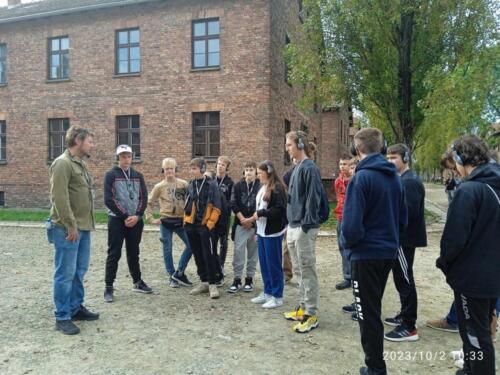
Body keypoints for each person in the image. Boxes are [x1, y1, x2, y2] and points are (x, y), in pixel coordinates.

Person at [340, 128, 407, 375]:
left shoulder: (362, 178)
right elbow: (403, 219)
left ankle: (375, 368)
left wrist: (351, 245)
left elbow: (350, 225)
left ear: (358, 150)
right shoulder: (395, 177)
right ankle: (375, 365)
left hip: (365, 254)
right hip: (387, 252)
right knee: (373, 307)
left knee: (366, 313)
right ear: (380, 148)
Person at [436, 135, 500, 375]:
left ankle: (477, 370)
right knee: (482, 328)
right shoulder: (494, 184)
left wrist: (445, 263)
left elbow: (453, 239)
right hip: (492, 274)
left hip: (472, 278)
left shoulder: (469, 190)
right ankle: (471, 368)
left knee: (475, 333)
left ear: (461, 159)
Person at [48, 125, 99, 335]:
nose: (91, 145)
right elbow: (59, 197)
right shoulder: (62, 164)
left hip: (83, 227)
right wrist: (70, 225)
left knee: (79, 271)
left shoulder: (80, 164)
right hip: (68, 229)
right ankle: (62, 316)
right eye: (89, 141)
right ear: (78, 141)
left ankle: (75, 307)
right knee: (65, 274)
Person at [384, 144, 427, 342]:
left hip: (403, 239)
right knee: (401, 278)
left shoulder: (409, 182)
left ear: (405, 158)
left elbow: (407, 214)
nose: (390, 161)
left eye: (394, 157)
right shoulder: (402, 180)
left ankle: (409, 326)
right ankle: (404, 314)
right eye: (388, 158)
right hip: (400, 238)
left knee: (405, 279)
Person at [283, 130, 323, 333]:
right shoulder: (297, 167)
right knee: (298, 269)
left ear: (299, 144)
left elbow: (313, 200)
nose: (286, 148)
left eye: (289, 144)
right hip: (293, 225)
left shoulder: (310, 168)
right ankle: (302, 307)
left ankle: (311, 314)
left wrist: (306, 226)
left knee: (307, 269)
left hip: (303, 227)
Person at [103, 145, 150, 302]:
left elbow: (144, 197)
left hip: (136, 221)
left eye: (128, 156)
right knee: (114, 253)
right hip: (117, 220)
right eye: (123, 156)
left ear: (132, 157)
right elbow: (109, 199)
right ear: (118, 158)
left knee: (134, 252)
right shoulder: (110, 175)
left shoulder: (138, 175)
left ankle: (137, 282)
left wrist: (137, 215)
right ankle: (109, 287)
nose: (126, 159)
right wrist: (124, 215)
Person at [245, 160, 287, 308]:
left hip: (273, 233)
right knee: (264, 264)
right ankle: (268, 292)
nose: (258, 176)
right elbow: (258, 207)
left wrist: (262, 213)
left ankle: (277, 296)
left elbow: (280, 210)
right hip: (262, 233)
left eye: (260, 173)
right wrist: (257, 230)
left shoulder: (277, 188)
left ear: (268, 173)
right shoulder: (263, 187)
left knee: (273, 264)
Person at [145, 158, 192, 288]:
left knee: (191, 245)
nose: (169, 171)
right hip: (165, 221)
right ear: (163, 170)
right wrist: (150, 218)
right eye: (166, 169)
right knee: (167, 249)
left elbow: (190, 200)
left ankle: (179, 272)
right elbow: (149, 202)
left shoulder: (184, 184)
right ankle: (171, 276)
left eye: (171, 168)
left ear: (175, 169)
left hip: (181, 221)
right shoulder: (159, 187)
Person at [184, 158, 223, 299]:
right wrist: (186, 222)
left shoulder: (211, 185)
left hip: (206, 226)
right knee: (197, 254)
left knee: (209, 255)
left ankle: (213, 284)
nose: (191, 171)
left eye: (194, 168)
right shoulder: (191, 185)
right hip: (192, 226)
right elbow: (187, 205)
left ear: (201, 169)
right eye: (190, 168)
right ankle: (204, 281)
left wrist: (209, 224)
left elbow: (217, 207)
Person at [228, 162, 261, 293]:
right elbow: (233, 203)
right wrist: (242, 219)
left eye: (251, 170)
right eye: (246, 169)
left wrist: (251, 221)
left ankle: (249, 279)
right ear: (244, 171)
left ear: (256, 172)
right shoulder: (237, 186)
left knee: (253, 254)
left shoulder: (260, 186)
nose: (248, 172)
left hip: (255, 225)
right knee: (238, 252)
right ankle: (237, 279)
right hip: (241, 224)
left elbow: (261, 206)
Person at [334, 154, 352, 290]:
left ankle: (354, 275)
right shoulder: (337, 181)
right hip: (340, 216)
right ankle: (347, 276)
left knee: (350, 247)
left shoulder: (354, 180)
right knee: (341, 246)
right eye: (341, 164)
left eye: (345, 164)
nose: (342, 167)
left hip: (350, 218)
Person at [215, 156, 234, 273]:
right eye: (219, 164)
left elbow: (231, 200)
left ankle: (221, 265)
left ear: (227, 168)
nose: (220, 166)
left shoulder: (230, 182)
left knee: (223, 242)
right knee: (212, 241)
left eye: (223, 165)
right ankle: (214, 263)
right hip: (211, 216)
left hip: (224, 217)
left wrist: (224, 208)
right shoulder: (211, 180)